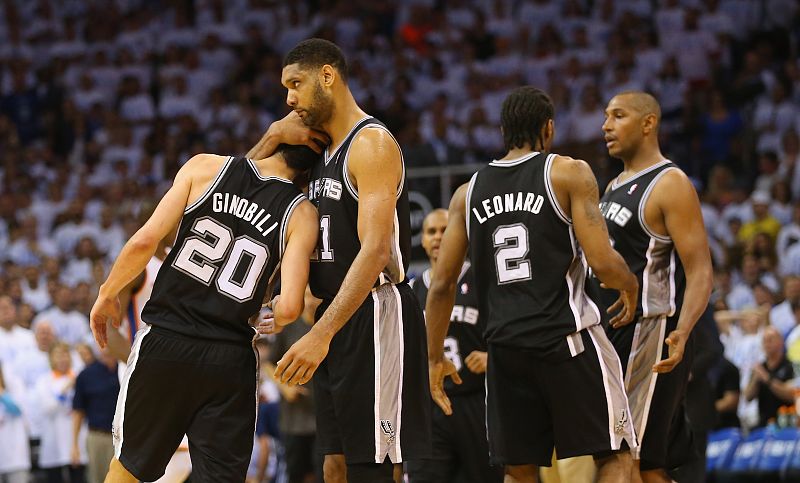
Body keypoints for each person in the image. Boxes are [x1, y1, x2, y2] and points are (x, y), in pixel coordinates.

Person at [89, 116, 323, 483]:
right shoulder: (303, 213)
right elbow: (291, 307)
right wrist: (272, 315)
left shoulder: (205, 167)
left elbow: (144, 241)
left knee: (128, 470)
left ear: (277, 139)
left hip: (167, 341)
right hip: (230, 359)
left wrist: (106, 293)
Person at [425, 86, 639, 483]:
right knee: (616, 454)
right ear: (549, 128)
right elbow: (603, 263)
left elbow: (440, 286)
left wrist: (433, 357)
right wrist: (629, 284)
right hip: (566, 340)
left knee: (519, 472)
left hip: (504, 350)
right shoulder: (567, 173)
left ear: (503, 131)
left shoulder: (466, 194)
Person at [264, 38, 431, 483]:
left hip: (374, 312)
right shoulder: (319, 151)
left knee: (374, 466)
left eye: (295, 84)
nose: (289, 99)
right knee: (334, 466)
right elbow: (246, 187)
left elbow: (376, 251)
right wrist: (273, 136)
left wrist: (320, 334)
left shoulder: (370, 143)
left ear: (327, 76)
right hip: (335, 317)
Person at [598, 91, 714, 482]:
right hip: (616, 334)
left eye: (618, 116)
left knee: (622, 457)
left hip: (650, 331)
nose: (606, 126)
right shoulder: (613, 185)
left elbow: (701, 271)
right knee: (648, 466)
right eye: (606, 117)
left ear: (648, 123)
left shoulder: (670, 183)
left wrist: (684, 329)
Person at [406, 209, 502, 483]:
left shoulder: (483, 281)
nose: (438, 237)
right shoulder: (413, 290)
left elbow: (509, 331)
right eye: (431, 231)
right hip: (430, 404)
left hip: (477, 400)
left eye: (445, 230)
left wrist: (492, 356)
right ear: (423, 240)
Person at [71, 346, 119, 483]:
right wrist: (74, 445)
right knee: (98, 479)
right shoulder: (86, 375)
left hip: (127, 437)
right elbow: (78, 411)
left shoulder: (128, 368)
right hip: (98, 436)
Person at [744, 326, 795, 427]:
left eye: (770, 340)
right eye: (764, 341)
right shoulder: (759, 367)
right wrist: (755, 380)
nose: (767, 344)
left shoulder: (790, 366)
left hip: (786, 422)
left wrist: (767, 379)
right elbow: (748, 397)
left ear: (781, 342)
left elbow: (791, 395)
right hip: (764, 423)